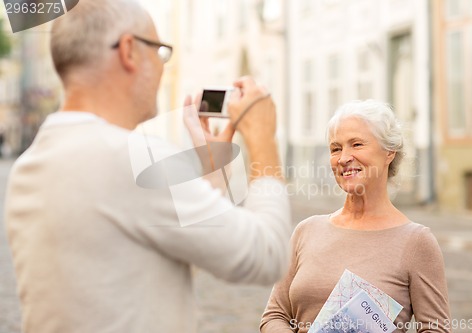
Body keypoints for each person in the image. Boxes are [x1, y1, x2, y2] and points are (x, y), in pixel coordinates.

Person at [4, 0, 291, 332]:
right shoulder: (134, 159)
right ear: (129, 51)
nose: (161, 67)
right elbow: (266, 256)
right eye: (159, 51)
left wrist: (212, 169)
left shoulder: (28, 167)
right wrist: (263, 139)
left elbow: (167, 253)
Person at [260, 100, 451, 333]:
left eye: (357, 144)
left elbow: (436, 329)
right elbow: (275, 315)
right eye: (336, 148)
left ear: (389, 152)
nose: (343, 158)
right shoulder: (306, 231)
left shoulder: (416, 241)